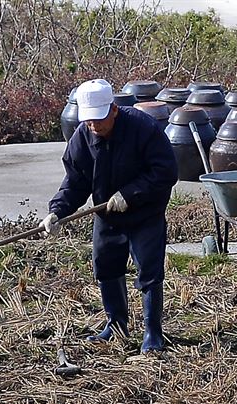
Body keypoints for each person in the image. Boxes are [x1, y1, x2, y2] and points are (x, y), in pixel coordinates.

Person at [42, 79, 178, 354]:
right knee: (105, 266)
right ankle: (116, 324)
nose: (94, 126)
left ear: (114, 110)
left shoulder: (144, 128)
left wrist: (130, 194)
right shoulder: (82, 138)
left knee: (149, 272)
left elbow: (165, 172)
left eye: (99, 120)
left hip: (145, 212)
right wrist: (57, 211)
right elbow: (75, 182)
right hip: (107, 213)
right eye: (89, 121)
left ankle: (153, 332)